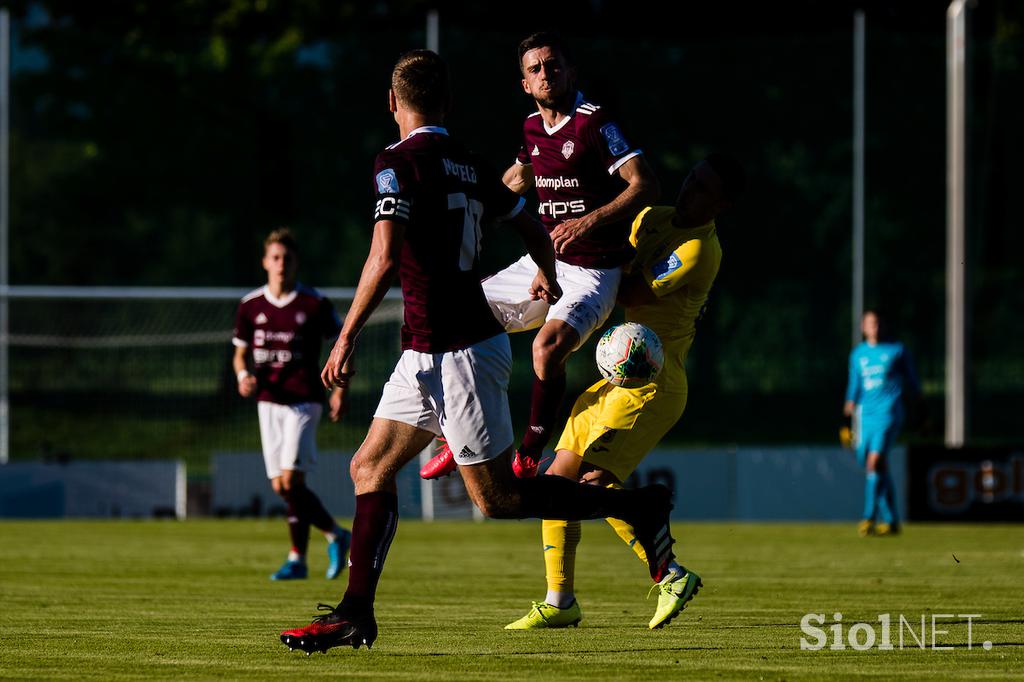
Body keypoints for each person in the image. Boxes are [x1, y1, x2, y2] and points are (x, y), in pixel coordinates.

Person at [278, 50, 676, 655]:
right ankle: (355, 614)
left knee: (499, 501)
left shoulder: (395, 162)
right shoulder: (469, 161)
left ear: (393, 103)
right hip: (427, 349)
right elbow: (527, 222)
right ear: (448, 104)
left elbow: (384, 257)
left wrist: (346, 334)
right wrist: (547, 269)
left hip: (460, 351)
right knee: (368, 466)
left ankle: (640, 509)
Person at [505, 154, 745, 631]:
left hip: (652, 384)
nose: (688, 190)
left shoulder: (698, 249)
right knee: (557, 479)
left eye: (703, 189)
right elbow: (605, 257)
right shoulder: (651, 217)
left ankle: (670, 573)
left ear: (722, 204)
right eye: (691, 178)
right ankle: (560, 599)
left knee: (590, 484)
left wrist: (585, 258)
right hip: (617, 375)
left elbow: (630, 291)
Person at [419, 31, 660, 480]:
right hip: (545, 261)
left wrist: (588, 222)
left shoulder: (594, 122)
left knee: (545, 349)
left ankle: (529, 453)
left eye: (552, 65)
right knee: (453, 316)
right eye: (535, 69)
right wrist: (474, 194)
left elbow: (644, 183)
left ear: (570, 71)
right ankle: (460, 434)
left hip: (594, 271)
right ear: (525, 84)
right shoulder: (531, 127)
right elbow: (518, 177)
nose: (545, 74)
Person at [232, 228, 351, 581]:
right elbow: (240, 355)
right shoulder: (250, 306)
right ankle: (332, 535)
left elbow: (343, 344)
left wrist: (340, 389)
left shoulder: (313, 303)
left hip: (304, 401)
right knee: (283, 487)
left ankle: (299, 555)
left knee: (291, 479)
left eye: (287, 258)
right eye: (275, 257)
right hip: (267, 402)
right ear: (265, 262)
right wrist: (243, 377)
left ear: (296, 262)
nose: (281, 264)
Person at [843, 310, 921, 536]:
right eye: (870, 324)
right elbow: (854, 386)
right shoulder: (858, 354)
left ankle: (868, 517)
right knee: (876, 466)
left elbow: (913, 382)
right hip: (865, 415)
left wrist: (921, 410)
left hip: (889, 413)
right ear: (863, 327)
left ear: (883, 326)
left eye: (878, 323)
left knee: (874, 462)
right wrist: (846, 420)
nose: (874, 327)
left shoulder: (897, 350)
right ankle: (892, 520)